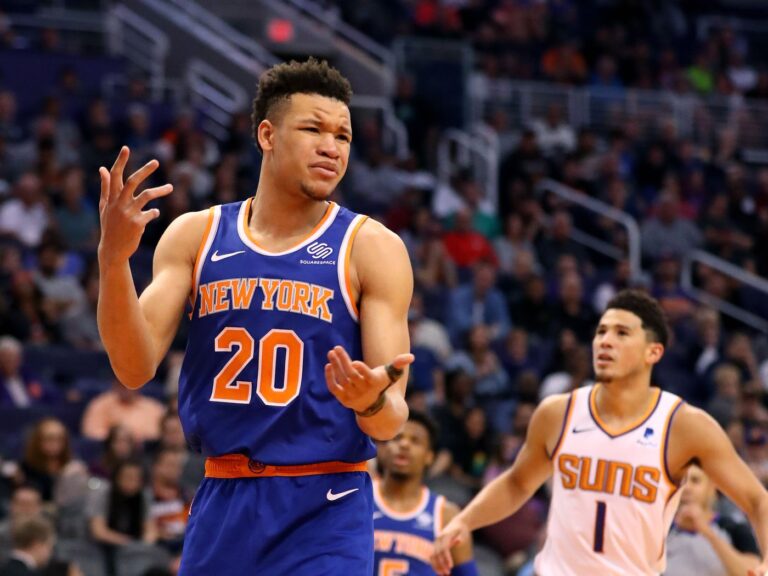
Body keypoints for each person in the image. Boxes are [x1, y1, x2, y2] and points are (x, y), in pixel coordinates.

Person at [96, 58, 413, 575]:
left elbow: (392, 418)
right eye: (313, 129)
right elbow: (133, 368)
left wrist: (371, 400)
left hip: (326, 506)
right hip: (224, 498)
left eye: (343, 136)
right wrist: (113, 261)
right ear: (267, 135)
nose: (331, 147)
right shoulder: (196, 235)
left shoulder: (372, 247)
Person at [432, 289, 768, 576]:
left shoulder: (684, 425)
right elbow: (517, 483)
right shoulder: (558, 413)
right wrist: (464, 521)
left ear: (653, 352)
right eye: (601, 332)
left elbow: (757, 500)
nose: (605, 341)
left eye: (621, 333)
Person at [374, 412, 477, 575]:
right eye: (397, 438)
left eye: (415, 440)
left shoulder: (446, 515)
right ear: (383, 449)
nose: (404, 444)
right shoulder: (358, 499)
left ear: (429, 457)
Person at [665, 464, 760, 576]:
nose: (687, 488)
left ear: (711, 486)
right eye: (680, 482)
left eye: (695, 480)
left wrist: (707, 532)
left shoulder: (734, 528)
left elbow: (751, 572)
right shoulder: (661, 531)